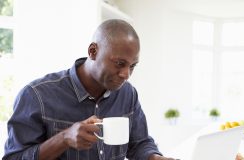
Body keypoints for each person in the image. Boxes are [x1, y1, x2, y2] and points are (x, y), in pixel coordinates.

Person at [3, 19, 175, 160]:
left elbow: (139, 143)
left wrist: (154, 157)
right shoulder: (36, 95)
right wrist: (63, 139)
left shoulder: (127, 94)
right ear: (93, 51)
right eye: (120, 64)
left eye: (132, 66)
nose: (126, 74)